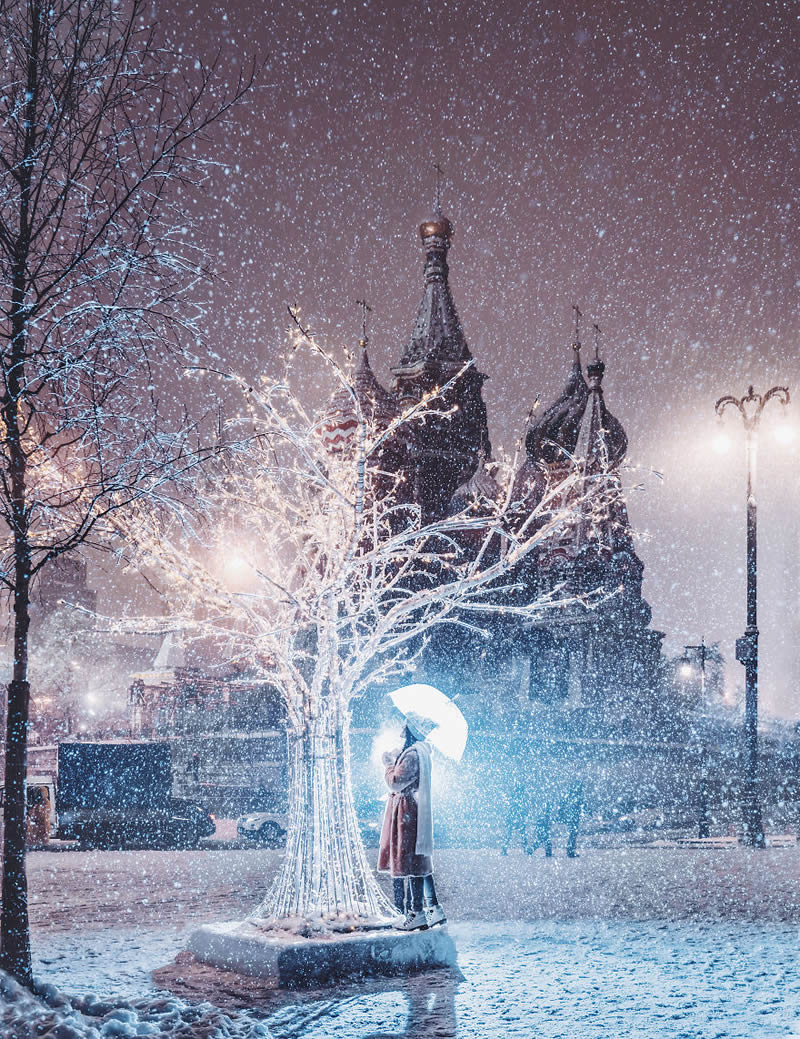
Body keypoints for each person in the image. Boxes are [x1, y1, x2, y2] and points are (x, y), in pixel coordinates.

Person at [378, 723, 446, 931]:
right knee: (419, 859)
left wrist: (390, 765)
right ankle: (431, 907)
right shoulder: (419, 752)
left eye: (404, 727)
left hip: (406, 811)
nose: (400, 730)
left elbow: (396, 782)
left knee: (411, 861)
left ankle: (416, 912)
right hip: (410, 808)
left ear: (409, 731)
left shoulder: (413, 755)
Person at [501, 778, 530, 855]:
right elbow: (522, 809)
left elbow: (512, 809)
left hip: (513, 818)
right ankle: (525, 850)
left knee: (509, 835)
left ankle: (504, 849)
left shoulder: (514, 798)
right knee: (522, 835)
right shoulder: (520, 799)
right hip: (517, 818)